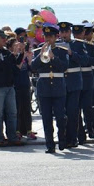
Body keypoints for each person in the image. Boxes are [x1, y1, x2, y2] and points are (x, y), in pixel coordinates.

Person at [30, 24, 70, 153]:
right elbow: (33, 68)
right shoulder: (38, 51)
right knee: (46, 118)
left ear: (55, 37)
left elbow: (64, 67)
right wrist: (40, 55)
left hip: (58, 86)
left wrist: (54, 57)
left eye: (50, 36)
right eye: (46, 36)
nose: (48, 39)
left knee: (60, 117)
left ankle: (62, 140)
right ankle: (50, 145)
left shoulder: (62, 51)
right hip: (44, 88)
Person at [0, 29, 25, 146]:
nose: (4, 40)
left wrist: (21, 52)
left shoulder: (6, 52)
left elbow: (15, 64)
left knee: (12, 112)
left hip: (9, 86)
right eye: (2, 38)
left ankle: (12, 136)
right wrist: (13, 54)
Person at [58, 22, 88, 148]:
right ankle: (63, 138)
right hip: (60, 82)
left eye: (66, 32)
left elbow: (85, 60)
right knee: (61, 113)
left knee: (72, 112)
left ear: (70, 32)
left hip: (74, 81)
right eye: (62, 32)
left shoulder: (79, 44)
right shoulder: (56, 46)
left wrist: (72, 54)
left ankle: (73, 138)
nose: (64, 34)